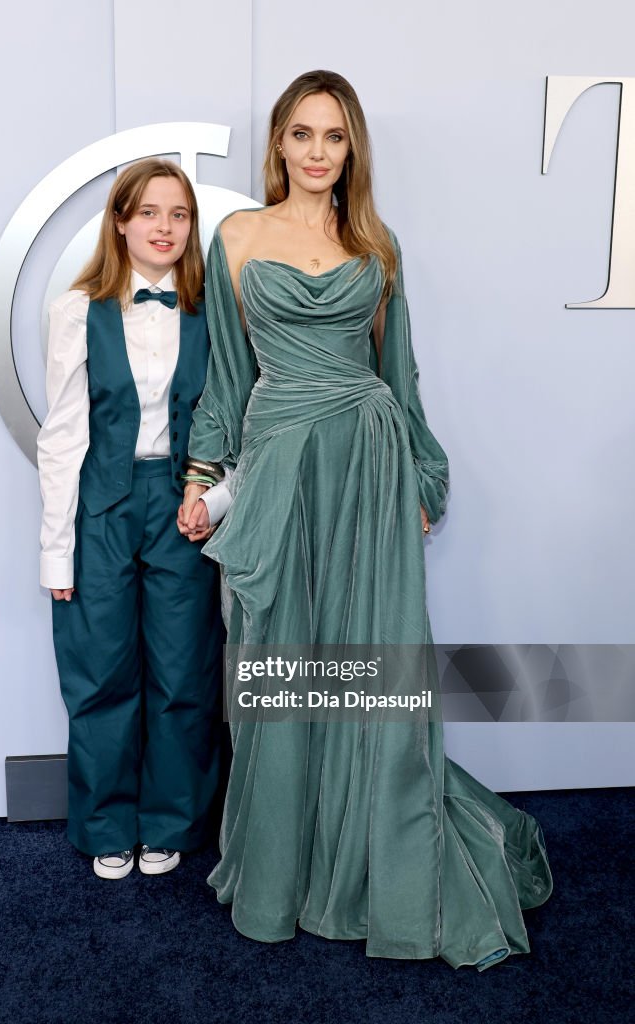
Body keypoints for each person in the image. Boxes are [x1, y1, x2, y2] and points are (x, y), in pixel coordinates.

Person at [178, 71, 552, 969]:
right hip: (277, 469)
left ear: (352, 150)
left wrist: (423, 474)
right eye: (301, 134)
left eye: (333, 137)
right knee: (274, 670)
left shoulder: (377, 244)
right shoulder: (235, 236)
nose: (316, 152)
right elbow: (227, 380)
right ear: (277, 144)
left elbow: (400, 371)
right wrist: (202, 477)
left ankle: (368, 864)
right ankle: (281, 872)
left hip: (369, 465)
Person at [37, 158, 228, 880]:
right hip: (102, 505)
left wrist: (214, 498)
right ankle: (106, 823)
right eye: (148, 212)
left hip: (183, 507)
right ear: (120, 221)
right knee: (100, 673)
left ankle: (171, 820)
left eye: (177, 215)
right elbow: (60, 435)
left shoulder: (216, 311)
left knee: (183, 673)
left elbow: (234, 422)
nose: (164, 228)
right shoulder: (77, 309)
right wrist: (56, 553)